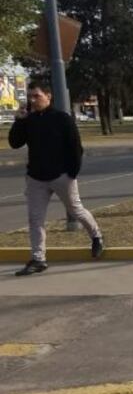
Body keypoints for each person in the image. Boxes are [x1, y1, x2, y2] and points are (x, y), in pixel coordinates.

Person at [7, 80, 104, 276]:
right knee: (35, 220)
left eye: (37, 96)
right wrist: (19, 120)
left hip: (61, 176)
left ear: (48, 96)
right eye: (30, 96)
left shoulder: (62, 118)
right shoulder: (29, 120)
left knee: (76, 210)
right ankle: (38, 259)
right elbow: (14, 143)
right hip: (36, 178)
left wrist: (71, 173)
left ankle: (96, 236)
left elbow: (76, 148)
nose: (33, 100)